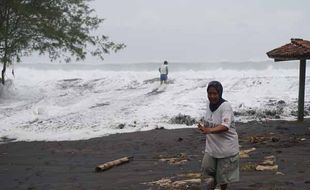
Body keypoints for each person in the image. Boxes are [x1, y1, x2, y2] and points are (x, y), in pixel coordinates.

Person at [198, 81, 239, 190]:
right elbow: (211, 121)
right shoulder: (208, 104)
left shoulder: (225, 106)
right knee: (207, 170)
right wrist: (204, 127)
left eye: (215, 93)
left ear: (220, 93)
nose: (212, 96)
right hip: (211, 148)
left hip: (226, 149)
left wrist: (209, 130)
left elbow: (225, 126)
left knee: (223, 178)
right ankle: (212, 184)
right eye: (209, 93)